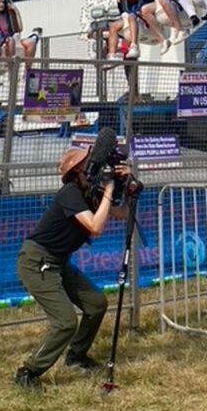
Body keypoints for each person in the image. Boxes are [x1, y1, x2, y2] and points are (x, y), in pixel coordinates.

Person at [13, 144, 125, 390]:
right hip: (37, 262)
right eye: (88, 166)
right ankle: (28, 372)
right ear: (76, 171)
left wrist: (126, 187)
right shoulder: (70, 193)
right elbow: (95, 226)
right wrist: (108, 190)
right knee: (65, 322)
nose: (94, 170)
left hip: (59, 262)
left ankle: (76, 357)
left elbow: (122, 213)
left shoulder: (89, 194)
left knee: (96, 305)